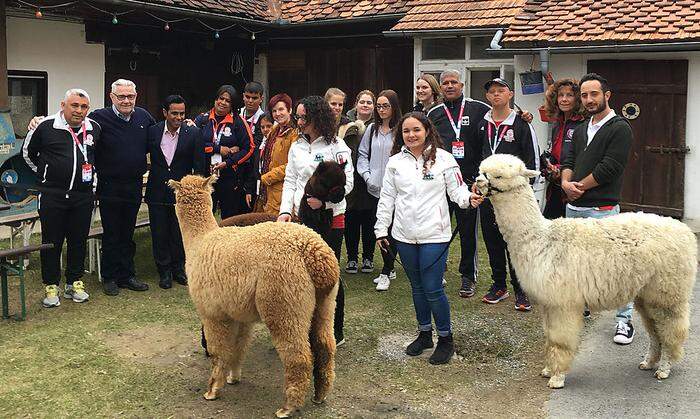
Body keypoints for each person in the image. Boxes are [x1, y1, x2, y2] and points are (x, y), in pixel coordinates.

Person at [27, 79, 156, 296]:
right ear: (112, 97)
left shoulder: (141, 117)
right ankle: (108, 277)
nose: (126, 100)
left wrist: (191, 123)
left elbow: (159, 132)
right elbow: (65, 121)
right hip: (104, 186)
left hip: (130, 186)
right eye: (121, 96)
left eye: (130, 96)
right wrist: (38, 121)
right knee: (109, 232)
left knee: (124, 232)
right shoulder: (99, 118)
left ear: (136, 96)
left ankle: (125, 274)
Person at [375, 111, 482, 365]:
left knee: (433, 288)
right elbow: (387, 198)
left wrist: (469, 199)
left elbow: (457, 192)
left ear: (427, 131)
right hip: (403, 235)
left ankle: (446, 339)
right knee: (417, 288)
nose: (411, 135)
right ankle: (425, 334)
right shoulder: (395, 163)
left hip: (435, 234)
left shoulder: (444, 159)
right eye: (406, 131)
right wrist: (381, 229)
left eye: (416, 130)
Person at [560, 73, 634, 344]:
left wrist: (579, 186)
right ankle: (583, 308)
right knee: (578, 264)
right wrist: (566, 181)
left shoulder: (619, 127)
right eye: (584, 95)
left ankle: (624, 320)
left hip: (602, 209)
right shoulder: (579, 128)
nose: (589, 100)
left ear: (607, 95)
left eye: (594, 94)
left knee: (613, 267)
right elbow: (567, 157)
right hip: (574, 209)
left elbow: (610, 167)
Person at [277, 95, 353, 347]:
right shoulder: (297, 145)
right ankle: (306, 328)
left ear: (316, 118)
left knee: (329, 275)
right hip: (302, 219)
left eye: (302, 117)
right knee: (302, 275)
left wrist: (326, 203)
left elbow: (348, 183)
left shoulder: (337, 146)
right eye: (297, 116)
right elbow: (290, 181)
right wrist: (284, 211)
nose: (298, 121)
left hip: (331, 219)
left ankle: (335, 330)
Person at [23, 88, 100, 307]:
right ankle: (51, 285)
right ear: (62, 105)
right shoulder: (45, 126)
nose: (79, 111)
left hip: (82, 196)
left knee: (78, 240)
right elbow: (28, 154)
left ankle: (74, 282)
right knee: (51, 241)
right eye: (74, 105)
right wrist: (47, 173)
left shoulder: (94, 128)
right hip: (52, 195)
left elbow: (96, 157)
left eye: (84, 107)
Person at [476, 78, 539, 311]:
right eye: (491, 91)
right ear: (487, 97)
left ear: (510, 94)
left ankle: (521, 289)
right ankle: (499, 285)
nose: (496, 95)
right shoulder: (482, 123)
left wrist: (528, 193)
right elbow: (477, 154)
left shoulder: (522, 124)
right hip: (489, 194)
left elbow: (532, 159)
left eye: (500, 90)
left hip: (513, 199)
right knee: (492, 241)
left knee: (516, 243)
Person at [427, 70, 490, 298]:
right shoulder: (434, 113)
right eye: (445, 83)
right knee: (439, 228)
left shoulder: (479, 109)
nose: (450, 86)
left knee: (467, 231)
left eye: (454, 82)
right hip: (441, 183)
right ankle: (437, 270)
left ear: (462, 85)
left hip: (469, 182)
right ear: (441, 87)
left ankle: (468, 276)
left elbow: (493, 133)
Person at [145, 95, 205, 289]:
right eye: (174, 113)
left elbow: (199, 165)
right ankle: (164, 271)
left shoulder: (193, 134)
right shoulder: (152, 132)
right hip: (157, 191)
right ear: (165, 113)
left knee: (179, 233)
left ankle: (179, 269)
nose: (179, 117)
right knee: (159, 232)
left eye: (182, 113)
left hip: (183, 195)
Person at [357, 90, 401, 291]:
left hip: (398, 189)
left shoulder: (401, 129)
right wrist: (367, 176)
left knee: (395, 229)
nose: (382, 110)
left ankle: (387, 268)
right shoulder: (372, 129)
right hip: (375, 189)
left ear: (394, 107)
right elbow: (363, 154)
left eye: (386, 106)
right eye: (379, 106)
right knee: (381, 228)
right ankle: (388, 266)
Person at [195, 85, 255, 219]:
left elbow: (249, 148)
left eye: (228, 101)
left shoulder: (238, 122)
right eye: (221, 98)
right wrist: (218, 149)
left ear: (232, 104)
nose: (223, 103)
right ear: (215, 99)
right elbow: (194, 144)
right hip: (205, 177)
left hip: (229, 177)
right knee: (204, 217)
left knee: (229, 219)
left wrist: (228, 162)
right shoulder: (202, 120)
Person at [542, 78, 586, 219]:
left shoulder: (583, 124)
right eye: (561, 95)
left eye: (569, 95)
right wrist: (549, 166)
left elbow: (583, 157)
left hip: (574, 189)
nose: (564, 99)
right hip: (555, 188)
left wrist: (561, 170)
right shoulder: (557, 124)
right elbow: (555, 153)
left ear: (578, 99)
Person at [343, 90, 375, 275]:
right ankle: (352, 258)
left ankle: (368, 257)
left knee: (369, 219)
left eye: (369, 102)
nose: (365, 105)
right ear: (356, 103)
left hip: (370, 176)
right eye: (362, 101)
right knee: (351, 219)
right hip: (350, 176)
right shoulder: (346, 123)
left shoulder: (378, 124)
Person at [256, 93, 297, 215]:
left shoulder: (295, 133)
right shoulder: (274, 130)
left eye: (281, 109)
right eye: (274, 111)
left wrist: (268, 177)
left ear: (289, 110)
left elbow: (293, 164)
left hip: (284, 190)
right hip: (268, 191)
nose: (277, 114)